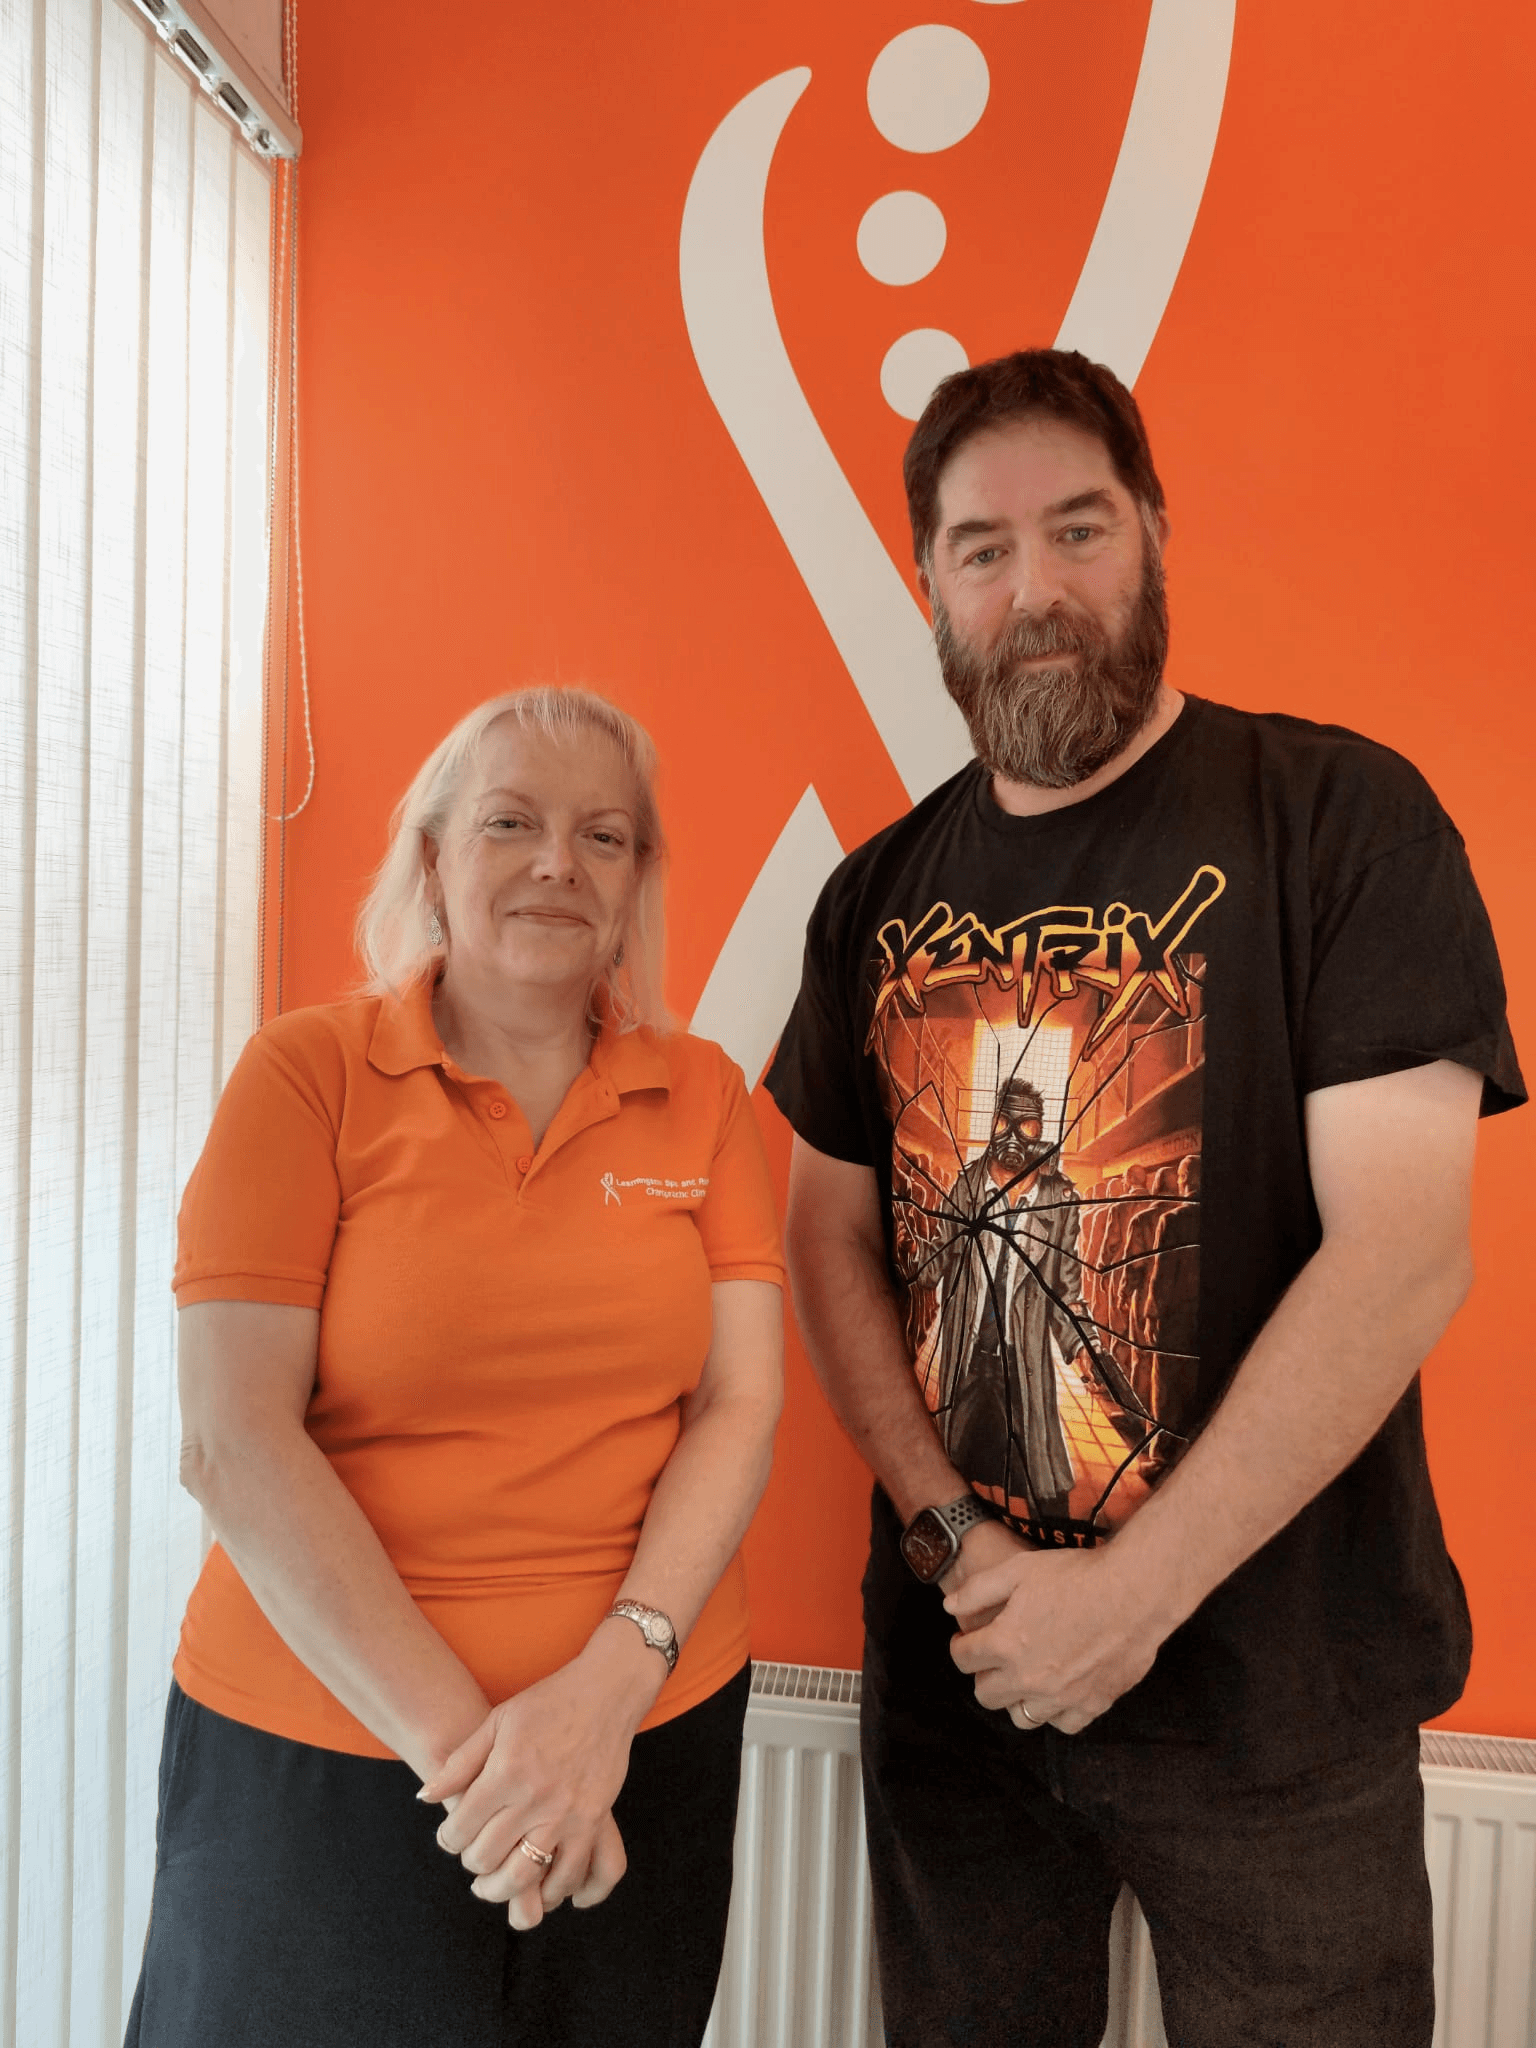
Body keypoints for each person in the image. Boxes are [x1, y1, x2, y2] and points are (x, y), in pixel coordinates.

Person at [765, 348, 1524, 2047]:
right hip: (963, 1702)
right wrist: (957, 1544)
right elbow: (828, 1237)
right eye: (982, 547)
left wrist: (1130, 1598)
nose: (1034, 591)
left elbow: (1404, 1256)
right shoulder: (872, 897)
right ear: (930, 583)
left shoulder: (1342, 822)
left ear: (1157, 536)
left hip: (1282, 1722)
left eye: (1079, 529)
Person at [127, 687, 785, 2048]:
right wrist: (491, 1777)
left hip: (643, 1748)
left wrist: (603, 1703)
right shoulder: (307, 1078)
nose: (558, 862)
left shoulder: (707, 1094)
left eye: (604, 837)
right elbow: (233, 1442)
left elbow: (739, 1403)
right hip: (329, 1761)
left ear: (637, 881)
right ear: (431, 857)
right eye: (510, 823)